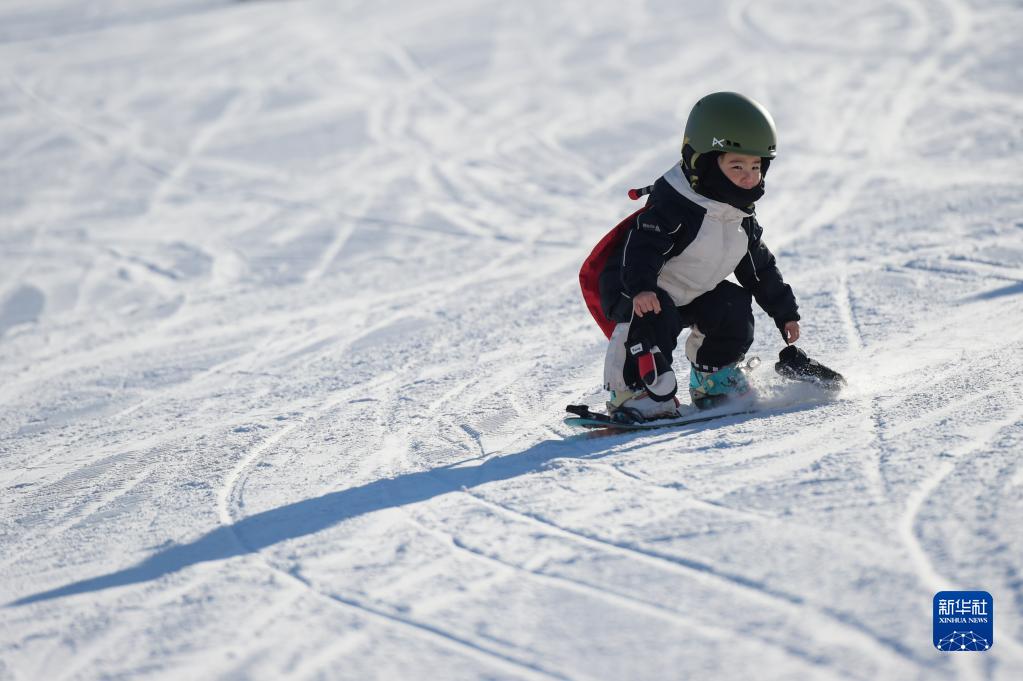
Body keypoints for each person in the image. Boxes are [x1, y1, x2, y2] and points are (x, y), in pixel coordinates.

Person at [580, 92, 801, 422]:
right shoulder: (675, 207)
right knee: (652, 314)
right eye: (736, 165)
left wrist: (785, 313)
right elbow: (641, 249)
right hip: (636, 287)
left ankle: (712, 379)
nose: (748, 176)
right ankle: (631, 391)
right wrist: (641, 287)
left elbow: (760, 268)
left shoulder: (740, 217)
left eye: (756, 166)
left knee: (733, 304)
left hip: (690, 293)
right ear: (706, 163)